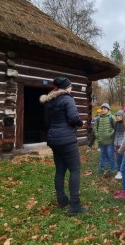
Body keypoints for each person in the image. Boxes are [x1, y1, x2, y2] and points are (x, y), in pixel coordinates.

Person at [40, 77, 88, 216]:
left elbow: (46, 121)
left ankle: (61, 200)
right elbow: (73, 118)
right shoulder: (68, 99)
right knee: (75, 170)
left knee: (60, 171)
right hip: (67, 140)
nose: (71, 88)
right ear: (66, 87)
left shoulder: (49, 101)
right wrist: (80, 124)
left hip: (53, 139)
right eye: (71, 86)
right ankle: (74, 205)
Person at [94, 103, 116, 177]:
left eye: (105, 109)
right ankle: (101, 168)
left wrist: (110, 134)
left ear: (108, 110)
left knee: (110, 155)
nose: (103, 110)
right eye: (102, 109)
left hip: (110, 141)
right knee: (102, 155)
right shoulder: (98, 118)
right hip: (101, 141)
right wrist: (97, 135)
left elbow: (115, 127)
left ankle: (112, 169)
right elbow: (95, 128)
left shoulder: (111, 117)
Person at [113, 110, 125, 180]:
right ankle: (119, 171)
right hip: (116, 143)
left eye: (119, 115)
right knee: (118, 158)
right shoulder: (116, 124)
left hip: (122, 144)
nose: (117, 117)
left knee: (122, 158)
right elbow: (115, 133)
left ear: (122, 116)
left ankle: (123, 171)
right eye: (116, 115)